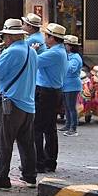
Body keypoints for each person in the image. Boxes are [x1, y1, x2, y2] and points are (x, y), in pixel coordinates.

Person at [0, 19, 38, 190]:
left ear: (10, 36)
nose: (4, 39)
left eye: (5, 36)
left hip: (13, 102)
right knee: (26, 142)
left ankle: (1, 177)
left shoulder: (12, 52)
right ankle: (30, 176)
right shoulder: (31, 52)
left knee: (3, 142)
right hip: (28, 103)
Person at [34, 23, 68, 173]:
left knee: (38, 128)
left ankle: (39, 162)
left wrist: (33, 51)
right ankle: (49, 161)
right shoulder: (58, 51)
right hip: (52, 92)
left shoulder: (54, 53)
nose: (44, 38)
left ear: (53, 38)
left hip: (46, 93)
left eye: (47, 36)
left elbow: (33, 62)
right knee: (49, 128)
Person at [60, 35, 83, 137]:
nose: (64, 47)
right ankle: (68, 124)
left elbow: (71, 69)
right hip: (66, 84)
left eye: (66, 45)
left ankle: (73, 128)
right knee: (66, 106)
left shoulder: (75, 57)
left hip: (72, 85)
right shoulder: (68, 56)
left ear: (70, 46)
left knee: (71, 107)